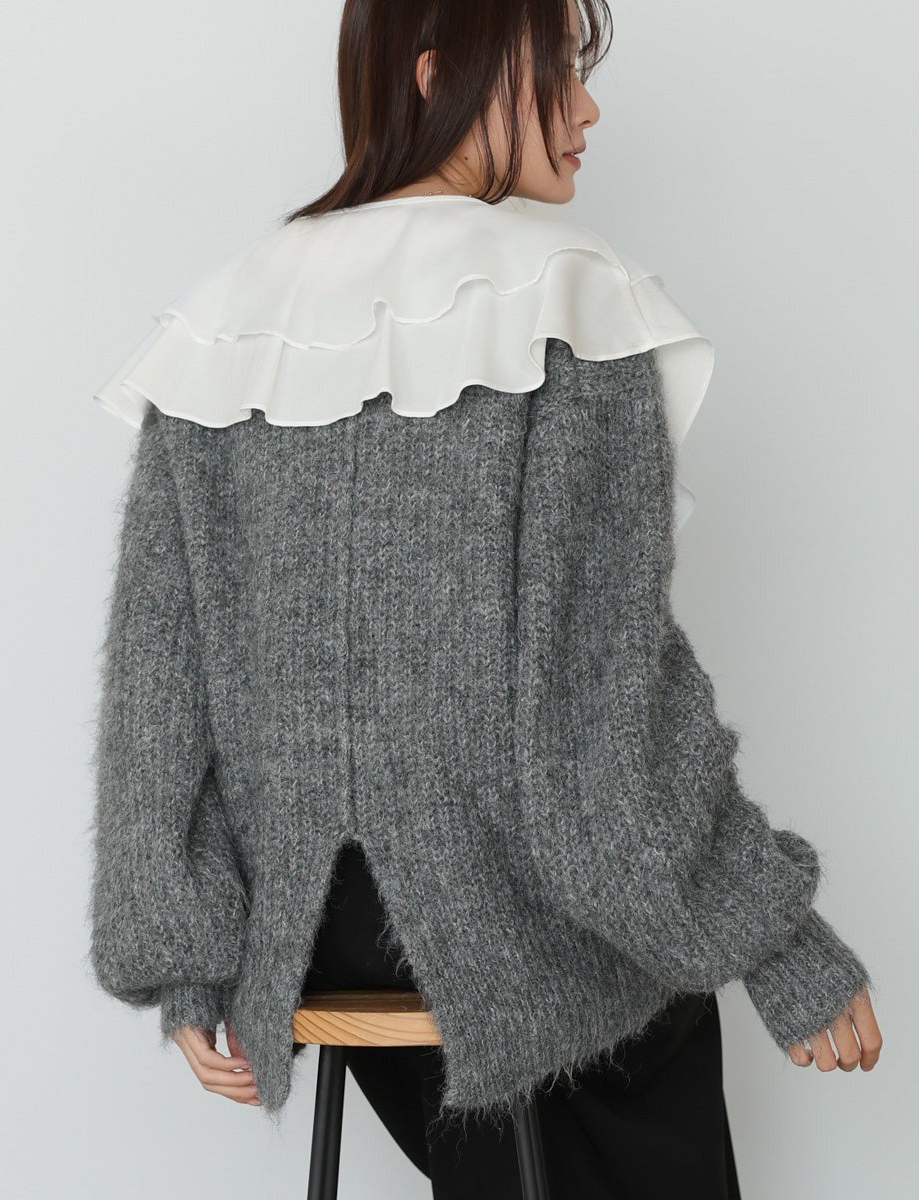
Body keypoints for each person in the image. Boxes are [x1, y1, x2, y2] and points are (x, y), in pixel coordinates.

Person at [86, 1, 882, 1195]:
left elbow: (161, 686)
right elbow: (601, 712)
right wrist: (775, 938)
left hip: (311, 929)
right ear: (435, 75)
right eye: (558, 68)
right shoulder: (570, 300)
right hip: (505, 906)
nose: (588, 107)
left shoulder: (223, 316)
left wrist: (187, 958)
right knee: (630, 1014)